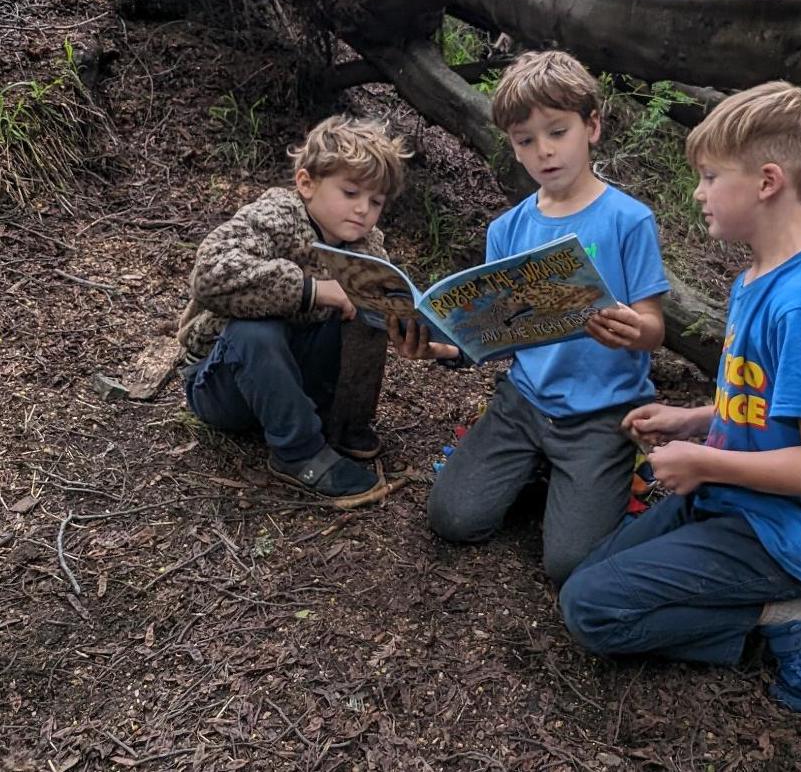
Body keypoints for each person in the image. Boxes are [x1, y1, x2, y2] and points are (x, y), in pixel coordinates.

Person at [559, 82, 801, 717]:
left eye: (708, 177)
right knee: (585, 575)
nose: (697, 193)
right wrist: (695, 418)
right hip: (731, 501)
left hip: (785, 533)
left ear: (767, 182)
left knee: (590, 612)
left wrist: (702, 462)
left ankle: (787, 615)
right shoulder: (754, 279)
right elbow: (763, 403)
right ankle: (764, 605)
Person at [392, 51, 671, 584]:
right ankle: (539, 471)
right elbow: (498, 334)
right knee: (451, 518)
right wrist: (443, 346)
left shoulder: (629, 220)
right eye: (525, 140)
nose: (543, 151)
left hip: (601, 413)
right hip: (523, 402)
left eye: (557, 132)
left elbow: (653, 326)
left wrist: (636, 331)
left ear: (591, 126)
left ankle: (585, 477)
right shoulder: (508, 229)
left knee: (568, 563)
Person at [177, 114, 411, 509]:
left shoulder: (367, 247)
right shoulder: (278, 216)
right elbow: (211, 273)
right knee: (256, 332)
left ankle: (343, 425)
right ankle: (298, 453)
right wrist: (312, 290)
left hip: (294, 377)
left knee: (367, 308)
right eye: (350, 193)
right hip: (222, 383)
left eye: (375, 202)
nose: (362, 210)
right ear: (306, 183)